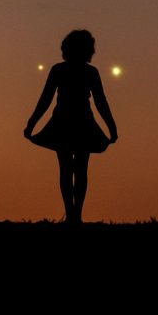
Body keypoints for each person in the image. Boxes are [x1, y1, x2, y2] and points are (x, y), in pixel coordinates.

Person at [23, 29, 118, 224]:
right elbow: (100, 102)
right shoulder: (86, 72)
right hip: (79, 122)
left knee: (66, 168)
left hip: (67, 122)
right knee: (80, 168)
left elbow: (46, 99)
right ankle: (75, 215)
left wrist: (31, 124)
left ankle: (73, 214)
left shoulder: (61, 70)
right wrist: (111, 127)